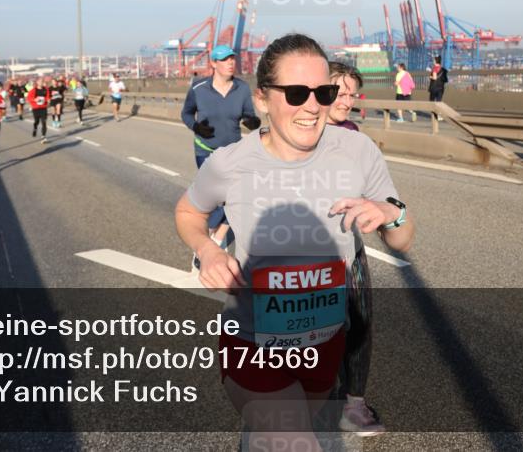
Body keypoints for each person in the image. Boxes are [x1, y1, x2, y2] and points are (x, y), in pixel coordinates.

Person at [175, 34, 414, 450]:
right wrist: (209, 249)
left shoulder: (357, 150)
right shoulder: (230, 163)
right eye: (297, 93)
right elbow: (188, 213)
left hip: (326, 345)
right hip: (254, 346)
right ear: (264, 99)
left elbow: (402, 239)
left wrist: (393, 214)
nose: (312, 106)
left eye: (323, 92)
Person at [324, 61, 384, 435]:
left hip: (350, 246)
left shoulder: (355, 135)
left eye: (351, 93)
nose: (346, 100)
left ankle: (354, 404)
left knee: (360, 320)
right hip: (307, 247)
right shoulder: (293, 133)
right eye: (338, 92)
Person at [180, 44, 260, 268]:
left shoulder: (242, 89)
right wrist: (196, 127)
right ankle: (209, 240)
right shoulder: (199, 88)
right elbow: (185, 113)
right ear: (213, 63)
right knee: (218, 198)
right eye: (224, 60)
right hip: (205, 150)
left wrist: (252, 122)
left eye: (232, 59)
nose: (230, 63)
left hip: (234, 153)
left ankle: (213, 241)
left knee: (235, 198)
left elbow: (248, 115)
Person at [26, 77, 52, 143]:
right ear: (37, 82)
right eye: (40, 81)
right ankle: (35, 128)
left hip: (43, 108)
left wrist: (48, 100)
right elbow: (28, 98)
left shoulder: (46, 89)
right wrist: (34, 99)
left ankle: (43, 136)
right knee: (36, 121)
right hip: (36, 108)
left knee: (44, 122)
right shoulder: (33, 90)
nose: (41, 83)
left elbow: (48, 96)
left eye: (42, 81)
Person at [428, 55, 449, 121]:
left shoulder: (434, 68)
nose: (433, 61)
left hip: (434, 87)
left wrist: (430, 77)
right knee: (439, 101)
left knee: (432, 102)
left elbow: (434, 78)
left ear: (435, 61)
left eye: (433, 60)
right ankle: (439, 115)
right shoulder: (443, 69)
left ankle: (434, 116)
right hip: (441, 87)